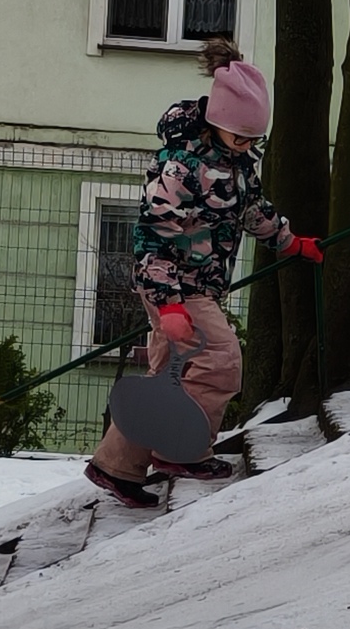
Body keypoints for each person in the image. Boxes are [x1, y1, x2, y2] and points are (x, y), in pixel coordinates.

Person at [85, 42, 314, 510]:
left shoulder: (235, 163)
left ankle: (116, 467)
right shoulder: (180, 168)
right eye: (240, 137)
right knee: (221, 361)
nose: (247, 145)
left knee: (168, 376)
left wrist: (289, 241)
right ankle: (181, 451)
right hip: (175, 284)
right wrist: (169, 304)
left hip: (194, 285)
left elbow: (251, 210)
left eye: (253, 139)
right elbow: (153, 235)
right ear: (217, 122)